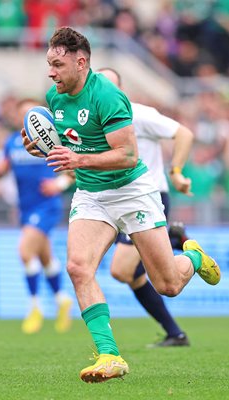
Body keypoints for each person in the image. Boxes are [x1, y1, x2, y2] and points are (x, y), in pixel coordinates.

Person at [21, 27, 221, 383]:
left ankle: (191, 256)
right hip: (92, 196)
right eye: (49, 64)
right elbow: (65, 144)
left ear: (81, 62)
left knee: (168, 285)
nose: (51, 72)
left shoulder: (108, 97)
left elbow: (127, 156)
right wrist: (38, 146)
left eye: (57, 64)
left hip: (132, 191)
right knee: (79, 268)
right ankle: (109, 355)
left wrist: (77, 160)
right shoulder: (55, 97)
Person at [98, 67, 191, 347]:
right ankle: (175, 333)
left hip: (148, 197)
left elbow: (183, 133)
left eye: (111, 87)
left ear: (121, 90)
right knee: (130, 274)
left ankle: (176, 241)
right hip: (119, 200)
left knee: (121, 270)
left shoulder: (138, 114)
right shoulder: (95, 120)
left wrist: (176, 171)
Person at [0, 97, 73, 334]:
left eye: (31, 113)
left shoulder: (52, 141)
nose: (27, 117)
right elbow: (2, 171)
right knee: (45, 256)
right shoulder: (11, 143)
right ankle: (61, 299)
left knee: (25, 251)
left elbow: (70, 172)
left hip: (46, 206)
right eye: (22, 113)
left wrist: (57, 185)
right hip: (26, 208)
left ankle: (34, 307)